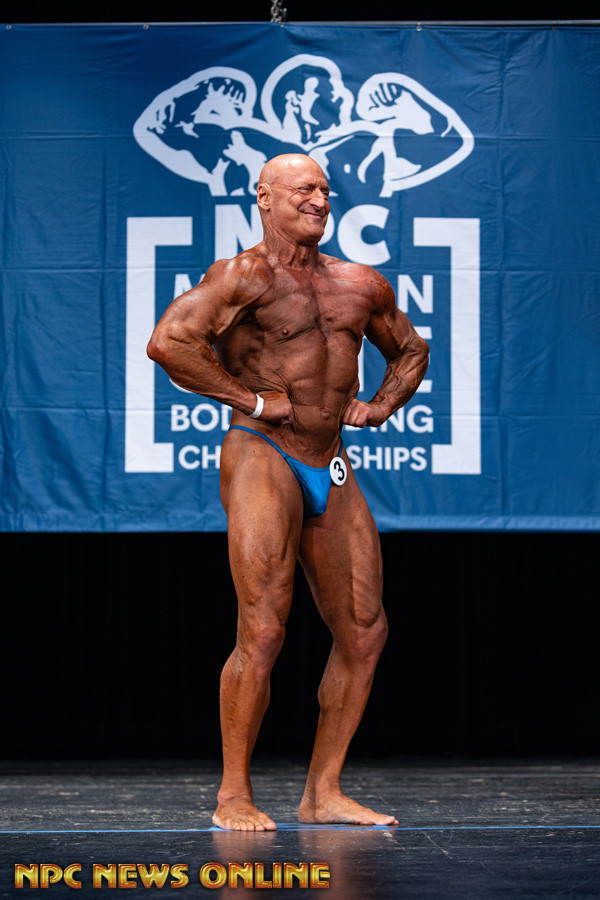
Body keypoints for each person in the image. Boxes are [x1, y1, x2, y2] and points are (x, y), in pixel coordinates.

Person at [147, 153, 429, 831]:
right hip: (262, 451)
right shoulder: (241, 276)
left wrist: (379, 406)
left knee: (365, 632)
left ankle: (322, 792)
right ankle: (233, 795)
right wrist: (247, 398)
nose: (320, 200)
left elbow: (411, 350)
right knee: (265, 627)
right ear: (264, 198)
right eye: (304, 189)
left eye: (325, 190)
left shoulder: (360, 283)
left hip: (329, 459)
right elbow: (169, 342)